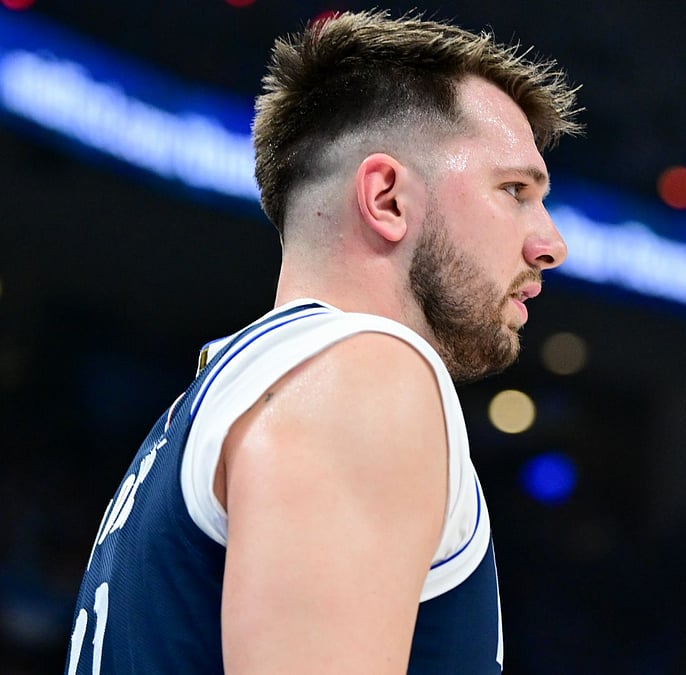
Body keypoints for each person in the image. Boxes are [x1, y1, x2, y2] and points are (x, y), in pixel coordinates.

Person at [64, 10, 581, 674]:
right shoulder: (364, 373)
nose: (551, 244)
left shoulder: (208, 406)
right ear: (387, 197)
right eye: (514, 190)